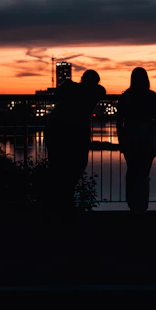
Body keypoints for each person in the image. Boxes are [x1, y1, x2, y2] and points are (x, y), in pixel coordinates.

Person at [44, 69, 106, 214]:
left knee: (58, 168)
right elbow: (102, 91)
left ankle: (56, 206)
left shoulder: (71, 88)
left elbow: (57, 94)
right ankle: (66, 205)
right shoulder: (93, 93)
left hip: (57, 129)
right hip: (77, 132)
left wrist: (70, 85)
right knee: (76, 167)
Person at [116, 67, 156, 214]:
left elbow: (119, 121)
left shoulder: (125, 97)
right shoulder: (152, 97)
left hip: (130, 135)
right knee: (144, 173)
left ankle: (132, 204)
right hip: (147, 135)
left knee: (132, 171)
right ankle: (142, 205)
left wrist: (121, 141)